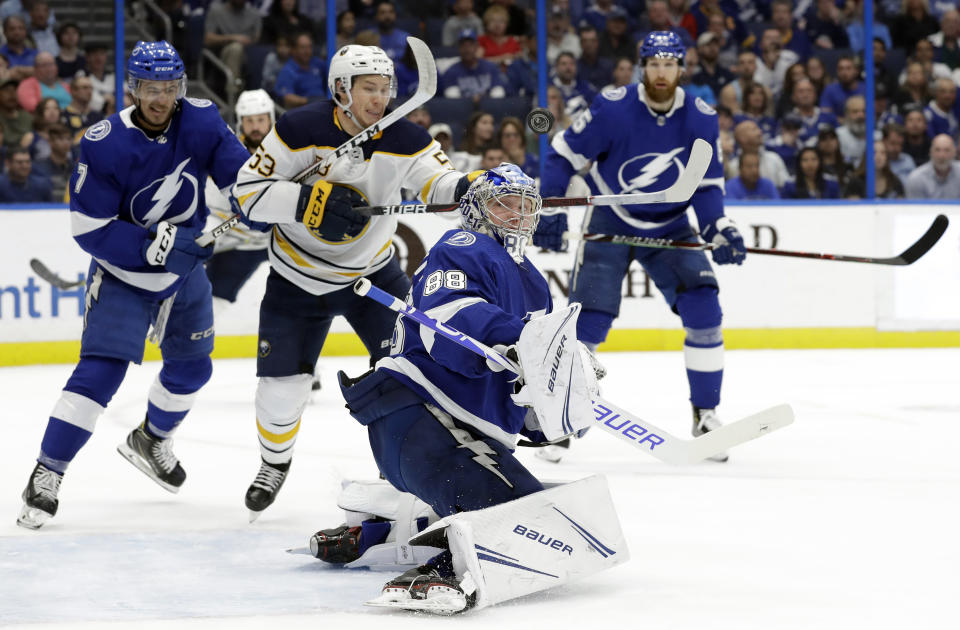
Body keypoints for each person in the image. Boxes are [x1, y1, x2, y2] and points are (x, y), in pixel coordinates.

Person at [312, 164, 617, 614]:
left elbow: (515, 388)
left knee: (551, 525)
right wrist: (518, 340)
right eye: (503, 204)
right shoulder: (464, 244)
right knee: (538, 527)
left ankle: (381, 524)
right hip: (421, 418)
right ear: (476, 210)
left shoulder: (532, 281)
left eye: (525, 206)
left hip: (448, 434)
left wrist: (558, 403)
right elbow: (450, 321)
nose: (515, 214)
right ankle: (443, 569)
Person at [231, 44, 479, 520]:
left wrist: (469, 188)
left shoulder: (404, 135)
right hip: (296, 279)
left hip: (374, 277)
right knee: (281, 391)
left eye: (386, 88)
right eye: (370, 88)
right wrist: (304, 203)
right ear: (341, 89)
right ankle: (273, 464)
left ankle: (405, 472)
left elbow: (439, 181)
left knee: (410, 373)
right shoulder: (299, 129)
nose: (380, 97)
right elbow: (247, 192)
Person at [15, 41, 251, 530]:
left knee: (192, 370)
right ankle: (47, 471)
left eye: (169, 88)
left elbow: (242, 180)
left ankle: (151, 439)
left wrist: (261, 200)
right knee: (99, 376)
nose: (161, 99)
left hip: (184, 275)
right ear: (133, 89)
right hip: (123, 277)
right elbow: (88, 228)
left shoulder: (202, 121)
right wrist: (152, 246)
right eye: (150, 89)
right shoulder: (104, 142)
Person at [534, 31, 744, 463]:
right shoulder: (613, 109)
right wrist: (552, 209)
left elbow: (705, 187)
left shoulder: (701, 118)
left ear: (682, 69)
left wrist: (719, 227)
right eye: (654, 63)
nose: (661, 72)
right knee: (589, 323)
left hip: (672, 225)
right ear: (641, 66)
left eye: (670, 64)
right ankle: (557, 422)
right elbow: (561, 155)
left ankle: (705, 414)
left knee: (704, 306)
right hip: (613, 216)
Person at [905, 132, 960, 198]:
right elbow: (914, 207)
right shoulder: (916, 179)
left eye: (947, 150)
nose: (941, 155)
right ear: (930, 152)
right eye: (937, 150)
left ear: (954, 153)